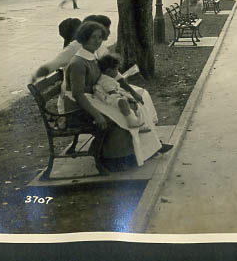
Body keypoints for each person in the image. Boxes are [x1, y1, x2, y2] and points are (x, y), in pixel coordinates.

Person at [62, 21, 166, 171]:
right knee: (121, 115)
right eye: (93, 38)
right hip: (78, 107)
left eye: (100, 37)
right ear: (84, 38)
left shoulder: (93, 56)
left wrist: (131, 91)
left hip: (92, 97)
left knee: (132, 104)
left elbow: (114, 75)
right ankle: (115, 158)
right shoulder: (79, 63)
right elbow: (78, 94)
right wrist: (97, 115)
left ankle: (148, 148)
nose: (97, 41)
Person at [95, 54, 150, 131]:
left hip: (113, 96)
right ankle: (131, 121)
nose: (118, 72)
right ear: (109, 71)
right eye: (116, 70)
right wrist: (125, 97)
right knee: (124, 102)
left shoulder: (109, 77)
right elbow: (112, 92)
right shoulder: (106, 80)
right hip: (110, 98)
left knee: (132, 102)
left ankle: (138, 123)